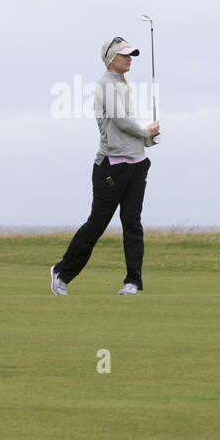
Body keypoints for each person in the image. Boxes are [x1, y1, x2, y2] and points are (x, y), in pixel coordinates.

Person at [51, 36, 160, 296]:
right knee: (97, 224)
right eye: (124, 55)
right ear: (112, 59)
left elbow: (126, 127)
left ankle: (133, 281)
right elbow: (121, 122)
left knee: (132, 223)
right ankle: (62, 273)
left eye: (131, 54)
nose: (129, 58)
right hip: (111, 166)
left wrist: (148, 140)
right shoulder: (104, 86)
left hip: (137, 162)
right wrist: (147, 132)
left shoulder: (122, 85)